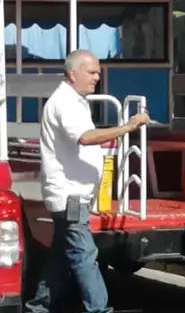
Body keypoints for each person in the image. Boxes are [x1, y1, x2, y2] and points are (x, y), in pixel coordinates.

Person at [26, 50, 150, 313]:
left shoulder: (73, 100)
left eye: (98, 72)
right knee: (85, 257)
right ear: (73, 74)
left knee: (61, 260)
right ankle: (99, 309)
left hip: (73, 195)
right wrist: (127, 127)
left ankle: (37, 307)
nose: (97, 77)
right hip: (69, 195)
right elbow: (85, 137)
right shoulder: (65, 102)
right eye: (92, 72)